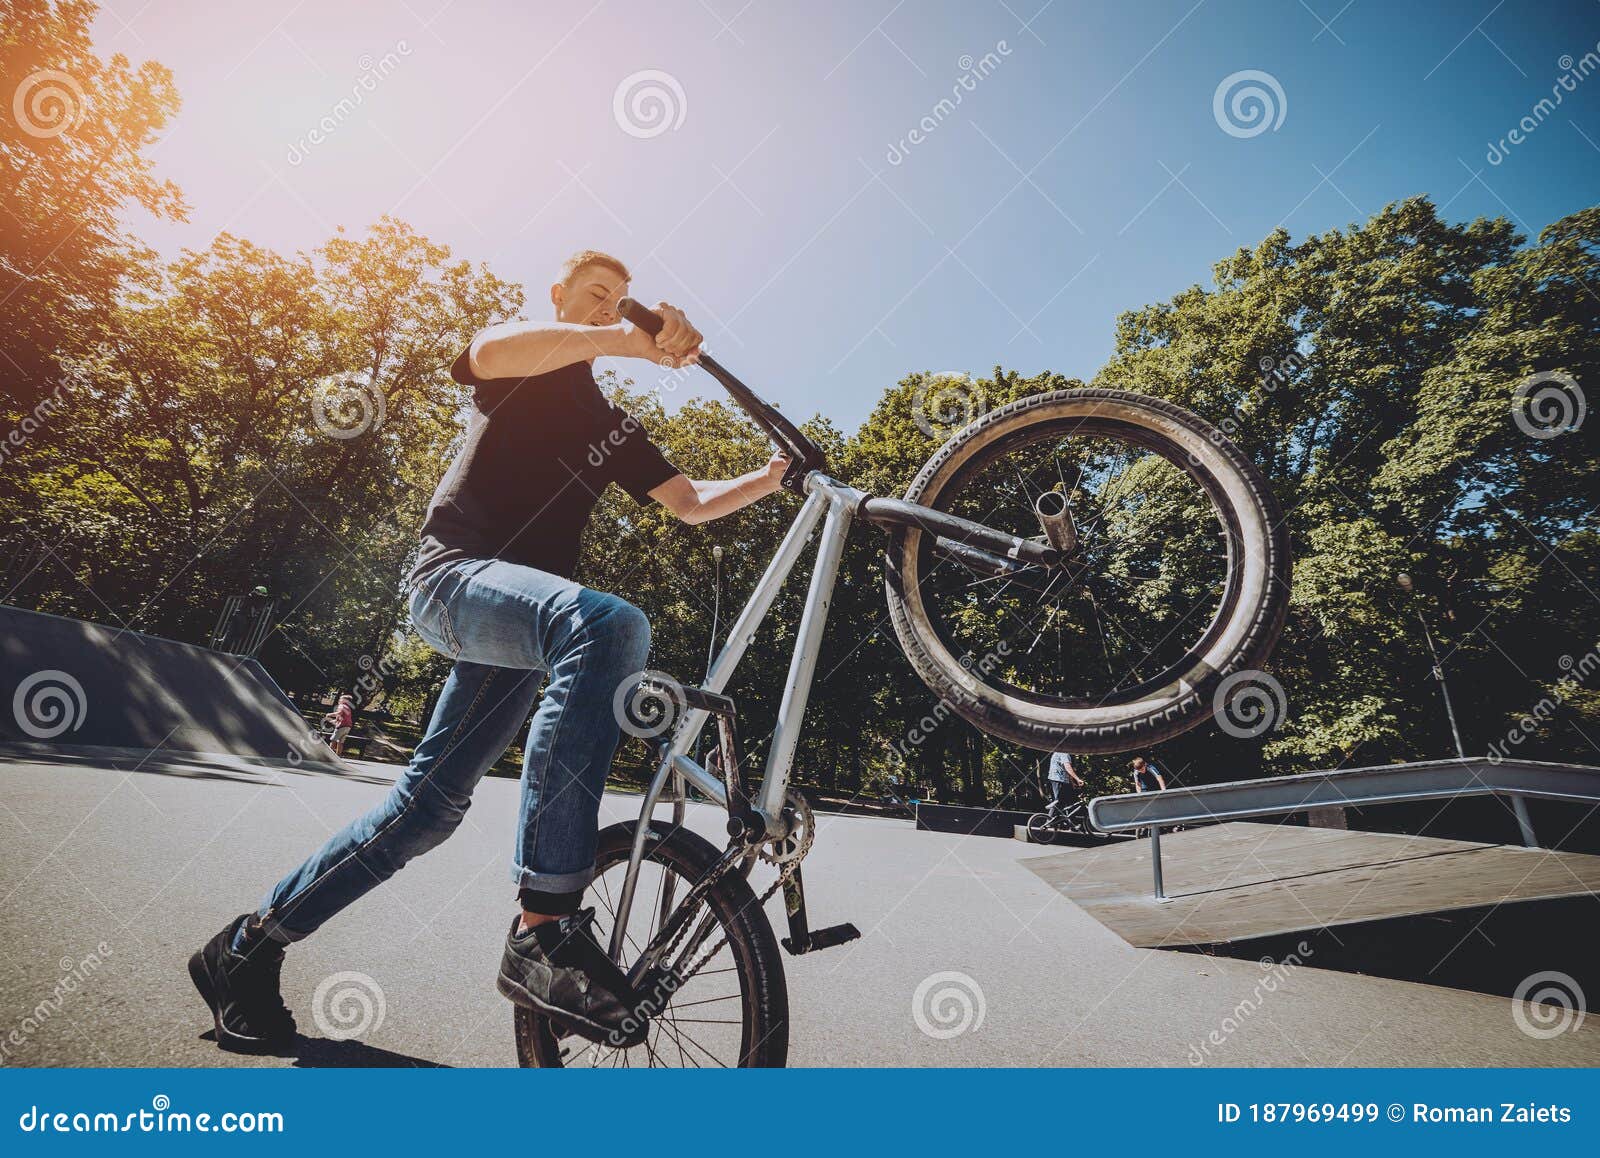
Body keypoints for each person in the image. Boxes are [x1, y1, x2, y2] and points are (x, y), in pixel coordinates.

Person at [189, 250, 790, 1053]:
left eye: (619, 300)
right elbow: (497, 351)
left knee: (422, 814)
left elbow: (688, 503)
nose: (609, 309)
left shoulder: (608, 427)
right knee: (608, 626)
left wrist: (775, 475)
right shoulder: (520, 362)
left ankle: (244, 950)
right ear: (559, 297)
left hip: (521, 632)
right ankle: (544, 928)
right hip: (452, 579)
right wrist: (626, 338)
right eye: (595, 296)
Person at [1045, 751, 1085, 820]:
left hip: (1060, 780)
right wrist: (1078, 779)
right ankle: (1048, 822)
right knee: (1059, 802)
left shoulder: (1060, 752)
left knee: (1069, 802)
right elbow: (1068, 767)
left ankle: (1069, 824)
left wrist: (1072, 783)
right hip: (1058, 780)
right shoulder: (1064, 753)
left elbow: (1067, 770)